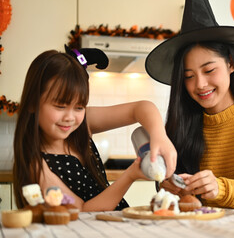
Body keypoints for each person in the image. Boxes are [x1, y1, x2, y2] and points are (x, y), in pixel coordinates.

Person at [145, 0, 234, 208]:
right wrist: (168, 188)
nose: (200, 84)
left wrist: (221, 189)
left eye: (209, 70)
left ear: (231, 63)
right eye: (188, 76)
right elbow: (177, 201)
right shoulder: (181, 122)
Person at [13, 46, 177, 211]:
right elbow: (83, 211)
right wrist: (130, 175)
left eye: (79, 107)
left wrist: (159, 136)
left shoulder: (83, 125)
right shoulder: (36, 165)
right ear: (33, 103)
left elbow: (141, 108)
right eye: (60, 106)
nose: (70, 117)